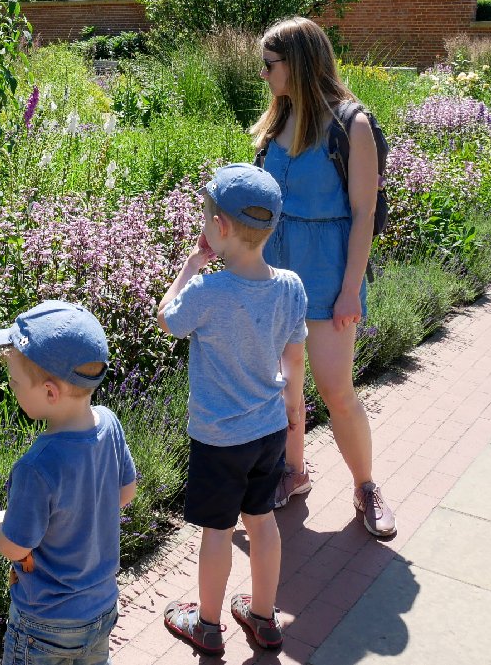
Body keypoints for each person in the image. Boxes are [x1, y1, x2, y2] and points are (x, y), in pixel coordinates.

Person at [251, 15, 396, 537]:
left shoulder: (351, 124)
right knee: (284, 389)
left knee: (337, 391)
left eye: (270, 65)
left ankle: (366, 486)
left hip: (328, 273)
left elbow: (363, 213)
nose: (264, 74)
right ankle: (295, 472)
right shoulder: (277, 120)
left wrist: (350, 290)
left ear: (299, 63)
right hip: (273, 275)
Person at [156, 163, 306, 655]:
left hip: (219, 438)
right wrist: (291, 404)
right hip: (267, 431)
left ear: (219, 228)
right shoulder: (290, 286)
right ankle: (264, 617)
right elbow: (292, 352)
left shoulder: (209, 290)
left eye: (206, 218)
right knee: (262, 522)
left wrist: (189, 266)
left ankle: (207, 624)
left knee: (218, 531)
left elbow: (167, 320)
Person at [0, 300, 139, 665]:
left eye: (15, 381)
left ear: (51, 393)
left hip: (45, 622)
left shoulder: (38, 465)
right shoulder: (109, 423)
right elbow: (126, 493)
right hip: (101, 607)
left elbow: (16, 545)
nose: (12, 387)